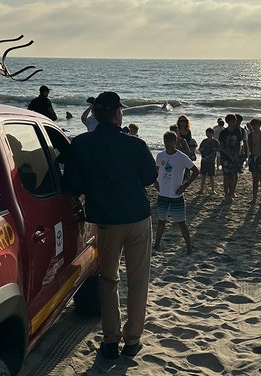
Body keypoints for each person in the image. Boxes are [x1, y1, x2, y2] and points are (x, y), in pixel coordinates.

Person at [63, 91, 156, 359]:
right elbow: (149, 178)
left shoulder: (81, 144)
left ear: (94, 115)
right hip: (137, 217)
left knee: (108, 279)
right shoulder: (135, 144)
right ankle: (132, 340)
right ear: (118, 113)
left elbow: (73, 184)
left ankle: (109, 340)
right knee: (138, 281)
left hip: (105, 220)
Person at [153, 130, 200, 254]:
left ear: (175, 142)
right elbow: (155, 170)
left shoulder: (181, 157)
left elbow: (195, 171)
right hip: (163, 194)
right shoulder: (160, 156)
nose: (168, 144)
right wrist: (155, 182)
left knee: (181, 222)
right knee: (161, 221)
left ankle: (189, 246)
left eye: (170, 141)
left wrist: (185, 186)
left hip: (176, 194)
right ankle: (157, 244)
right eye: (166, 141)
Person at [218, 113, 246, 204]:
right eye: (232, 121)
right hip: (225, 156)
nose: (234, 123)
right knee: (226, 176)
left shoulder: (237, 131)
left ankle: (231, 193)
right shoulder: (223, 133)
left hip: (235, 156)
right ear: (227, 122)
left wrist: (237, 155)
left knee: (233, 175)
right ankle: (226, 194)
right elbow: (221, 147)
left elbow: (239, 144)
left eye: (234, 121)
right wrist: (230, 156)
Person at [197, 127, 220, 194]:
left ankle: (213, 190)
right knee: (203, 175)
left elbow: (219, 149)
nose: (208, 134)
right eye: (207, 133)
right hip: (204, 160)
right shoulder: (204, 141)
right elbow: (199, 149)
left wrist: (214, 149)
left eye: (209, 133)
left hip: (211, 161)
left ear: (212, 134)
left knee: (211, 176)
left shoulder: (215, 141)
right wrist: (202, 149)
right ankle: (201, 189)